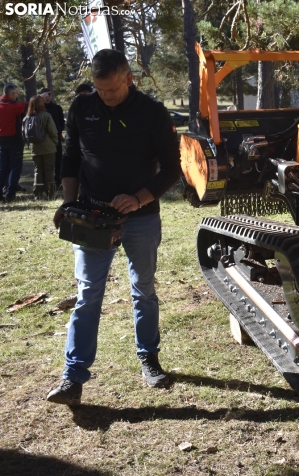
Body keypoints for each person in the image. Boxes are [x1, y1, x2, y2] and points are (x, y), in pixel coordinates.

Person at [46, 49, 182, 406]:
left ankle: (149, 358)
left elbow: (172, 169)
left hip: (141, 217)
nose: (105, 96)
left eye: (112, 89)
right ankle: (73, 376)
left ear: (129, 79)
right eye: (99, 89)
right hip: (92, 216)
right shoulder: (81, 109)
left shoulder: (152, 113)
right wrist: (69, 202)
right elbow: (71, 158)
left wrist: (139, 198)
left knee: (144, 289)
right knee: (88, 293)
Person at [22, 95, 58, 200]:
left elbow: (24, 134)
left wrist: (30, 144)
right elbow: (53, 131)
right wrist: (55, 142)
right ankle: (50, 193)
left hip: (35, 148)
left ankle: (37, 193)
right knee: (49, 170)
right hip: (48, 147)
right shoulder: (46, 115)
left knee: (38, 171)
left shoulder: (26, 118)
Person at [0, 83, 27, 203]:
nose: (18, 95)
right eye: (16, 93)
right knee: (15, 168)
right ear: (11, 94)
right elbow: (26, 105)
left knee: (3, 168)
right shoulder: (13, 106)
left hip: (2, 141)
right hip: (14, 141)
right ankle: (10, 194)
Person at [39, 87, 65, 193]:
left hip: (56, 138)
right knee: (45, 163)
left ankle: (58, 181)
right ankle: (45, 184)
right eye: (45, 95)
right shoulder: (39, 109)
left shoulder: (57, 108)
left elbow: (61, 122)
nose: (48, 97)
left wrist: (58, 130)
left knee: (58, 160)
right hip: (44, 140)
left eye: (49, 95)